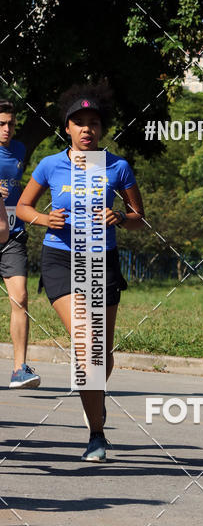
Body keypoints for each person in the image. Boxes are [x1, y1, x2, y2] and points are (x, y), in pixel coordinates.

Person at [16, 85, 145, 461]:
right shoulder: (49, 165)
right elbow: (24, 206)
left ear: (101, 129)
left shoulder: (118, 167)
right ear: (67, 128)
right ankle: (97, 434)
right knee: (88, 345)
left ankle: (95, 401)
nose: (86, 129)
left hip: (102, 262)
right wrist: (44, 218)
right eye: (79, 123)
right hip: (61, 260)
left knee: (102, 356)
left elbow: (139, 219)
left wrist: (120, 216)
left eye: (93, 123)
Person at [0, 100, 41, 388]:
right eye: (1, 124)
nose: (7, 129)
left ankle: (19, 370)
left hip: (12, 235)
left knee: (21, 298)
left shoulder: (19, 150)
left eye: (11, 123)